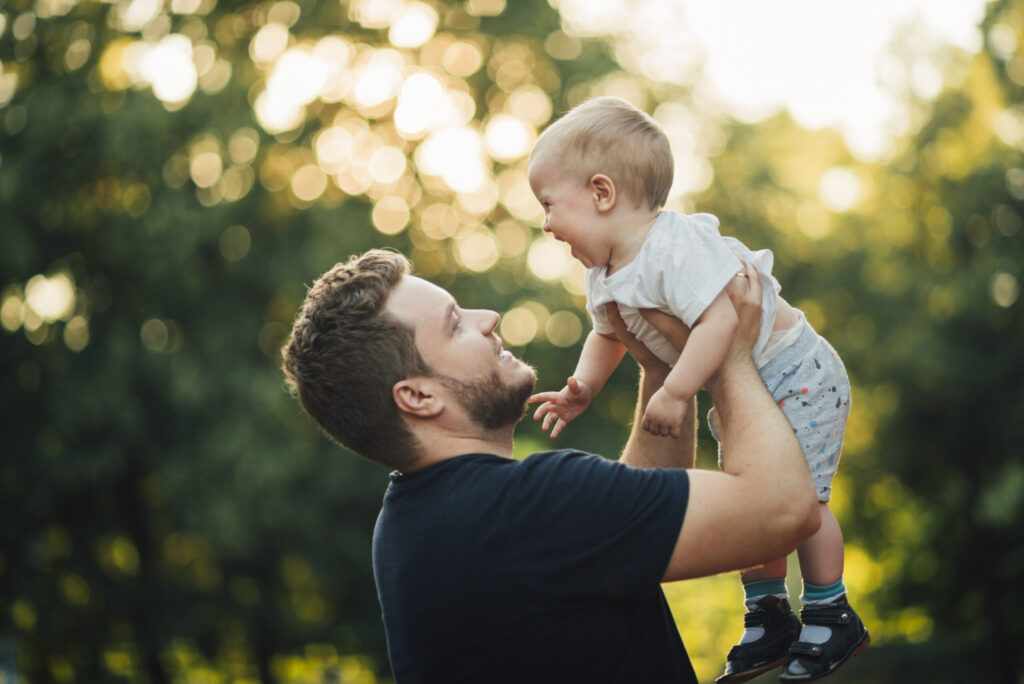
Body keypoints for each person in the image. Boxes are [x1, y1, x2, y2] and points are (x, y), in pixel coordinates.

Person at [281, 248, 820, 683]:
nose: (487, 318)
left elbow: (629, 514)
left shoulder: (414, 523)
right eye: (454, 325)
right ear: (418, 397)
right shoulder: (526, 505)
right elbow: (783, 510)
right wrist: (728, 351)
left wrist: (660, 367)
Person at [527, 96, 869, 683]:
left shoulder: (672, 247)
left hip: (796, 371)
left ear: (601, 193)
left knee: (803, 501)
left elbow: (721, 322)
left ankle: (830, 609)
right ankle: (769, 614)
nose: (545, 223)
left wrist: (677, 391)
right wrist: (583, 386)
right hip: (746, 386)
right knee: (750, 494)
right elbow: (606, 336)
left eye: (549, 204)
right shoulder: (602, 275)